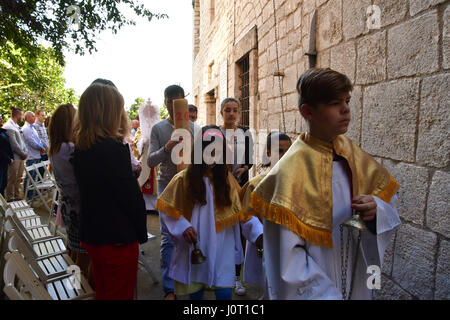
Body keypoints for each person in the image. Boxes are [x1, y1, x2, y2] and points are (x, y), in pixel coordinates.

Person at [250, 68, 401, 300]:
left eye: (347, 101)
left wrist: (376, 211)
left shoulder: (357, 158)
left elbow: (390, 206)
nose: (345, 109)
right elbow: (286, 261)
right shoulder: (286, 176)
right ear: (307, 111)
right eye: (334, 103)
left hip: (357, 279)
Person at [72, 81, 148, 300]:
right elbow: (130, 198)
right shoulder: (112, 149)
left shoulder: (82, 146)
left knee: (104, 290)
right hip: (117, 236)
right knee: (119, 293)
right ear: (109, 112)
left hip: (95, 232)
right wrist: (140, 232)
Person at [156, 125, 244, 300]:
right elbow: (167, 208)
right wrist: (182, 227)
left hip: (222, 243)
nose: (212, 156)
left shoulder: (228, 180)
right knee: (196, 288)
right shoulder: (183, 178)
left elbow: (240, 213)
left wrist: (256, 233)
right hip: (196, 240)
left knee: (224, 290)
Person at [147, 84, 200, 300]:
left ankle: (194, 279)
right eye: (170, 100)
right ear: (166, 102)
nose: (174, 104)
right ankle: (170, 288)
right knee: (169, 237)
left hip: (190, 186)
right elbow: (150, 161)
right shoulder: (158, 129)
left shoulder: (195, 129)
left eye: (179, 100)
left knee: (192, 232)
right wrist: (168, 147)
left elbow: (203, 159)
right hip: (167, 186)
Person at [239, 132, 292, 292]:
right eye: (279, 151)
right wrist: (261, 235)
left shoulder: (298, 181)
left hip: (291, 241)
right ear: (268, 153)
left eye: (288, 150)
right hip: (265, 241)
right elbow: (246, 215)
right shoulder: (256, 185)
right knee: (268, 281)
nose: (284, 155)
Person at [48, 104, 91, 278]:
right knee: (83, 255)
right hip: (79, 209)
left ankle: (74, 286)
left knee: (74, 248)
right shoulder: (70, 149)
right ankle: (79, 288)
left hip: (67, 207)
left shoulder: (56, 148)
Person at [219, 97, 254, 296]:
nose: (231, 113)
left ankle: (236, 276)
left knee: (240, 230)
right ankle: (220, 273)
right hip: (219, 189)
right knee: (223, 230)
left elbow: (249, 159)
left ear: (239, 112)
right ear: (221, 112)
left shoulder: (245, 134)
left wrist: (244, 168)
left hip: (239, 187)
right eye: (227, 110)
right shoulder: (215, 133)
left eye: (234, 110)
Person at [136, 99, 160, 214]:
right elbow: (136, 146)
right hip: (145, 157)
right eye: (147, 113)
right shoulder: (140, 131)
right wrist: (143, 142)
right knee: (144, 180)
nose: (149, 115)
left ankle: (155, 205)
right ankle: (145, 205)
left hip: (156, 158)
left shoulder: (159, 128)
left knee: (155, 180)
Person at [3, 106, 28, 201]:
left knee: (19, 178)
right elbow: (13, 144)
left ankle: (17, 195)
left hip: (21, 157)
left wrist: (25, 152)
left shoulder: (16, 126)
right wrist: (22, 153)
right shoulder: (8, 126)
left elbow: (21, 140)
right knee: (12, 178)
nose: (22, 117)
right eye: (21, 115)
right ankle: (10, 197)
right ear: (17, 115)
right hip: (15, 157)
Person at [22, 111, 46, 200]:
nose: (34, 117)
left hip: (37, 155)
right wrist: (40, 148)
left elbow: (38, 140)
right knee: (29, 177)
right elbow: (31, 141)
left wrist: (41, 146)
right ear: (28, 118)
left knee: (34, 176)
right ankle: (27, 195)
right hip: (31, 155)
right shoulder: (26, 128)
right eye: (32, 116)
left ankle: (32, 194)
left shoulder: (33, 128)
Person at [0, 115, 14, 196]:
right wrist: (8, 159)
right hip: (2, 160)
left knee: (3, 183)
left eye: (1, 118)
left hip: (5, 161)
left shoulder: (2, 131)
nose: (1, 120)